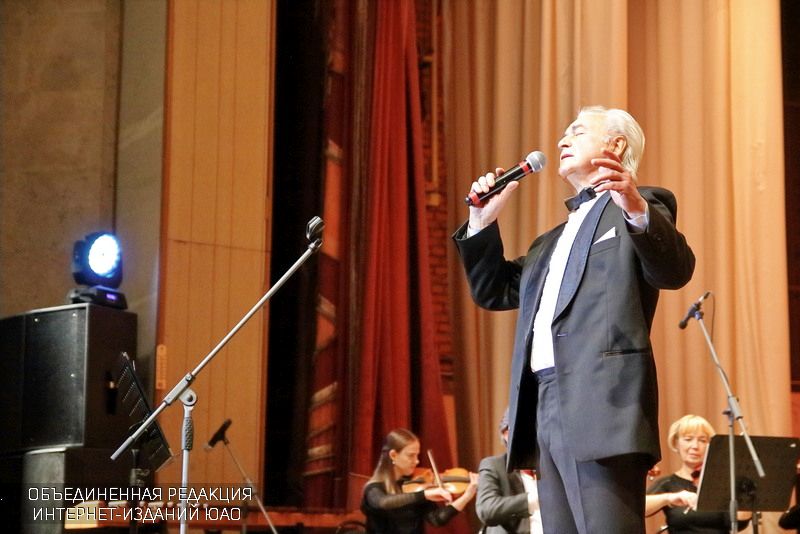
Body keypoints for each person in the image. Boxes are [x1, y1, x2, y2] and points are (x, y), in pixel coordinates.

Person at [453, 106, 696, 533]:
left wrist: (634, 205)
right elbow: (494, 290)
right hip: (544, 403)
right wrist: (481, 222)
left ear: (615, 145)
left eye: (578, 132)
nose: (562, 140)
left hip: (604, 403)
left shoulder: (641, 205)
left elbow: (673, 271)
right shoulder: (549, 243)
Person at [646, 414, 751, 533]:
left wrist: (744, 495)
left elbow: (738, 524)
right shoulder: (668, 483)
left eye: (702, 440)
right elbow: (641, 507)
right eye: (688, 439)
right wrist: (669, 498)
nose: (695, 446)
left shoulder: (721, 484)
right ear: (676, 443)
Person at [360, 428, 478, 534]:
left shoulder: (416, 485)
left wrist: (466, 496)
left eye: (417, 455)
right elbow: (384, 502)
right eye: (411, 455)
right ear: (393, 455)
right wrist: (424, 494)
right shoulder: (373, 488)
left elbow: (436, 519)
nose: (416, 461)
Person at [477, 409, 543, 534]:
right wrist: (535, 498)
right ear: (507, 434)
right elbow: (486, 510)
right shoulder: (494, 465)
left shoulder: (551, 469)